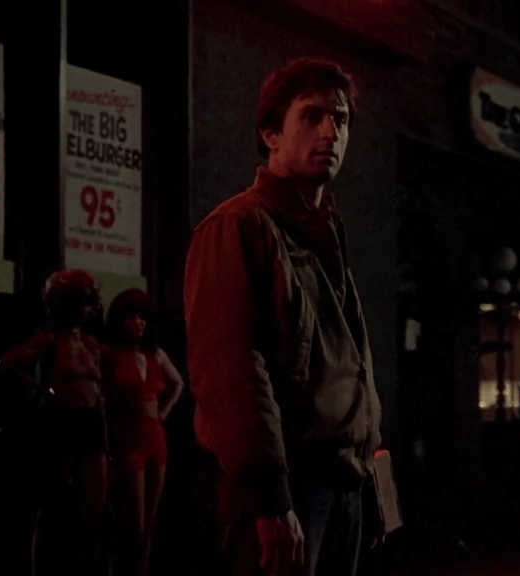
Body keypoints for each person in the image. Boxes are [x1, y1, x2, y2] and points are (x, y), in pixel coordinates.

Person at [185, 58, 383, 576]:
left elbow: (347, 364)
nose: (331, 133)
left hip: (342, 486)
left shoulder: (324, 229)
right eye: (311, 116)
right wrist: (270, 501)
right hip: (291, 490)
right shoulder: (238, 226)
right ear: (270, 133)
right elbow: (231, 375)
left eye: (340, 119)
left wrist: (371, 474)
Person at [0, 269, 108, 576]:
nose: (86, 309)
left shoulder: (90, 343)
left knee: (93, 513)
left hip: (91, 423)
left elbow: (100, 389)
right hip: (60, 421)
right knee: (52, 508)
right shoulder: (48, 339)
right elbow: (5, 366)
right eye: (79, 302)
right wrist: (43, 388)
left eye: (89, 302)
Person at [102, 288, 185, 576]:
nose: (138, 323)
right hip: (127, 441)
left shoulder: (155, 355)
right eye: (131, 316)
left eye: (142, 317)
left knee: (148, 526)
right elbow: (102, 402)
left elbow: (178, 383)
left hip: (155, 441)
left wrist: (163, 412)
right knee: (132, 527)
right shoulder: (109, 355)